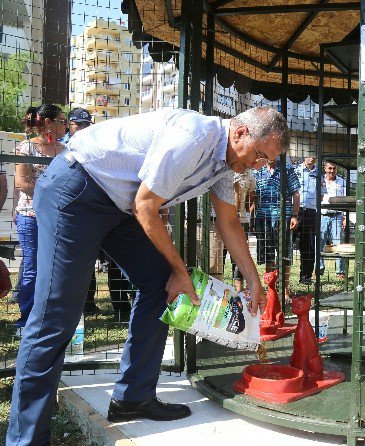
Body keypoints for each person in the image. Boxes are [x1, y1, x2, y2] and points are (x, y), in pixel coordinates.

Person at [6, 106, 288, 445]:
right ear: (240, 132)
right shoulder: (195, 136)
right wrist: (181, 270)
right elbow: (146, 205)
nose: (258, 166)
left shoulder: (229, 164)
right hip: (77, 189)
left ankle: (133, 397)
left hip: (119, 202)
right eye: (259, 155)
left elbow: (227, 223)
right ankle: (26, 439)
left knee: (161, 286)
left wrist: (254, 282)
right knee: (56, 316)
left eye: (266, 161)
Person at [13, 105, 67, 337]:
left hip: (58, 217)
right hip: (31, 217)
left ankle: (50, 317)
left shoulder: (64, 150)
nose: (65, 125)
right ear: (48, 123)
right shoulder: (26, 147)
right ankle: (26, 319)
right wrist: (53, 194)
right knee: (33, 268)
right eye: (62, 121)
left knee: (55, 267)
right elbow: (22, 183)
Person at [62, 107, 103, 315]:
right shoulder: (60, 147)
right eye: (79, 124)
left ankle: (88, 303)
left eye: (87, 124)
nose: (83, 128)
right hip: (65, 210)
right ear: (69, 124)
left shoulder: (95, 145)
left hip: (89, 209)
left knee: (88, 258)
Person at [253, 157, 300, 296]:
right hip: (263, 218)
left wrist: (295, 215)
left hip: (283, 218)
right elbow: (255, 196)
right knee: (268, 256)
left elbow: (295, 193)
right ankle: (271, 289)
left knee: (284, 255)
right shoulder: (258, 170)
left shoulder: (287, 170)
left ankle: (285, 289)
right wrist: (254, 216)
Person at [221, 169, 256, 291]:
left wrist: (247, 211)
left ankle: (239, 291)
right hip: (222, 219)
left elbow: (251, 199)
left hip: (241, 221)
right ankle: (218, 288)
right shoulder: (225, 171)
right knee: (220, 254)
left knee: (238, 256)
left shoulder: (250, 176)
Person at [319, 161, 347, 278]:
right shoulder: (320, 180)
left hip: (337, 216)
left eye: (334, 168)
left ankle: (340, 271)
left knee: (338, 244)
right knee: (319, 243)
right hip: (322, 216)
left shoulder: (342, 182)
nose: (332, 171)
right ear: (325, 169)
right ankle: (319, 270)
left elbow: (346, 200)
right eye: (329, 168)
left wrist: (345, 217)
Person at [295, 156, 319, 285]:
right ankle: (282, 275)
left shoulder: (319, 174)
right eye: (310, 155)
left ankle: (306, 275)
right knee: (288, 243)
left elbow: (320, 195)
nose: (313, 158)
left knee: (308, 244)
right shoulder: (295, 170)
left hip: (310, 211)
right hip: (295, 211)